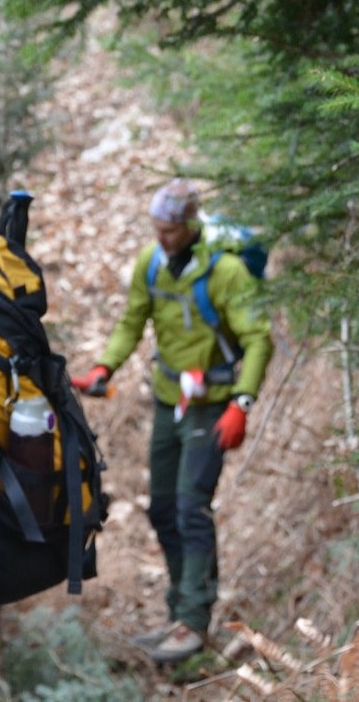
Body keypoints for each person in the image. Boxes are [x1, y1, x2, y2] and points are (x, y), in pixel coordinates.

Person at [71, 178, 273, 664]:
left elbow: (258, 339)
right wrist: (105, 366)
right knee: (162, 509)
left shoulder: (224, 273)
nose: (161, 238)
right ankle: (176, 614)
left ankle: (194, 620)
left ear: (189, 226)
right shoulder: (151, 263)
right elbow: (131, 320)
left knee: (190, 508)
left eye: (170, 230)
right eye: (156, 229)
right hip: (169, 401)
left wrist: (241, 404)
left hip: (213, 404)